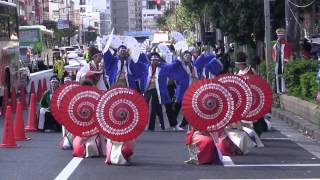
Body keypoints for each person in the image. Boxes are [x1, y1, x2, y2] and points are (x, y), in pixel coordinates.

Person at [272, 28, 293, 94]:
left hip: (285, 62)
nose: (280, 37)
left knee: (284, 75)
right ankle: (278, 90)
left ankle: (284, 89)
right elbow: (273, 54)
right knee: (277, 76)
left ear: (283, 36)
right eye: (279, 35)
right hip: (278, 62)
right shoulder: (275, 45)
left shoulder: (287, 45)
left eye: (281, 35)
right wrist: (275, 58)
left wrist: (287, 60)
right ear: (277, 36)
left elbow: (289, 53)